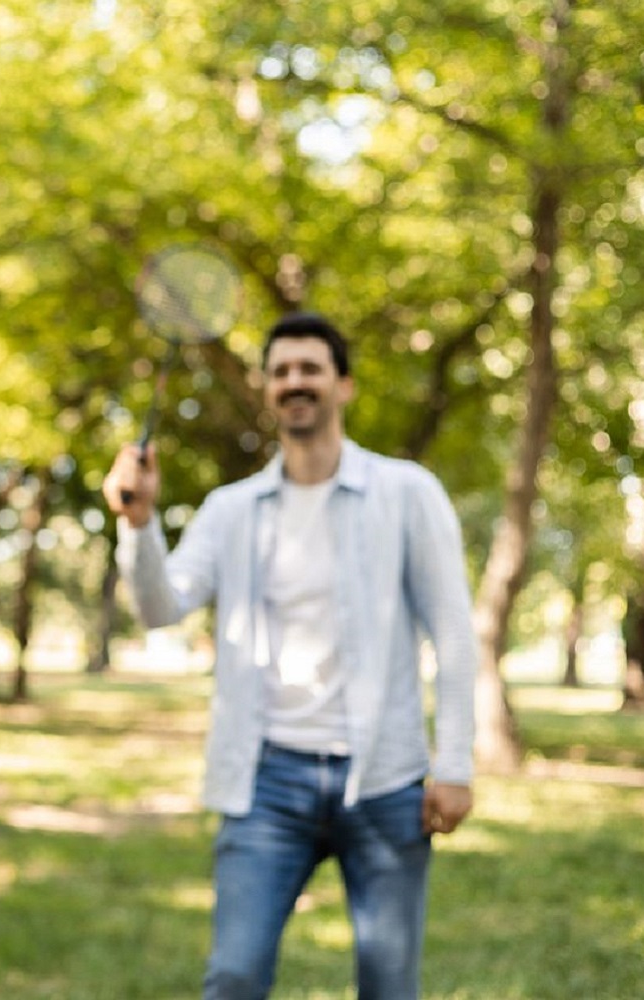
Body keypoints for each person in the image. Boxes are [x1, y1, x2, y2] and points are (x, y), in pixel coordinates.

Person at [102, 312, 477, 1000]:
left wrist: (453, 764)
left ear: (344, 386)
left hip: (386, 782)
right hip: (266, 782)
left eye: (310, 369)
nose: (294, 382)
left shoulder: (407, 493)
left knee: (389, 986)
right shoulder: (230, 509)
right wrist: (140, 522)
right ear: (266, 390)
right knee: (235, 976)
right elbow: (161, 607)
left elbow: (455, 632)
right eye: (281, 371)